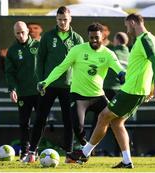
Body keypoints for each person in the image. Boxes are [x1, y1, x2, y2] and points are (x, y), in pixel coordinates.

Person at [68, 13, 155, 168]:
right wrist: (152, 86)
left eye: (127, 25)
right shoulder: (150, 38)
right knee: (116, 122)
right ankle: (127, 161)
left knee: (103, 116)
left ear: (133, 23)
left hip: (132, 90)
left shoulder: (145, 39)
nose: (126, 29)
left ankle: (84, 153)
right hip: (136, 90)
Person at [35, 22, 125, 162]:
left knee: (116, 121)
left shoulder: (108, 53)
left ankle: (126, 157)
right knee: (78, 128)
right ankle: (85, 150)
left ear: (103, 37)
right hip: (79, 97)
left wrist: (122, 76)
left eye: (97, 37)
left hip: (98, 96)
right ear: (88, 36)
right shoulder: (77, 50)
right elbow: (61, 67)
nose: (94, 40)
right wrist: (45, 82)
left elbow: (119, 69)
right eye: (91, 37)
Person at [23, 6, 84, 163]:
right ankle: (31, 153)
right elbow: (40, 60)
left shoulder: (77, 39)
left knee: (69, 120)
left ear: (70, 19)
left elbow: (81, 64)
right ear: (56, 20)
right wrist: (41, 81)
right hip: (48, 85)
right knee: (40, 118)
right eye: (59, 20)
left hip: (69, 87)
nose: (62, 23)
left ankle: (69, 155)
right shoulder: (48, 37)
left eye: (65, 19)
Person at [90, 31, 130, 156]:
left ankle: (90, 150)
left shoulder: (111, 52)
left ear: (117, 41)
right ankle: (120, 152)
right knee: (118, 123)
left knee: (99, 120)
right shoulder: (130, 54)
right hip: (123, 93)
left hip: (107, 90)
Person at [5, 21, 40, 161]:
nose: (20, 35)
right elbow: (9, 72)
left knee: (40, 121)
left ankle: (35, 150)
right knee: (24, 123)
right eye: (17, 33)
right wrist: (12, 89)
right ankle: (25, 152)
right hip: (23, 93)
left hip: (39, 92)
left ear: (28, 31)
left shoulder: (39, 45)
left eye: (22, 32)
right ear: (15, 34)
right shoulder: (12, 50)